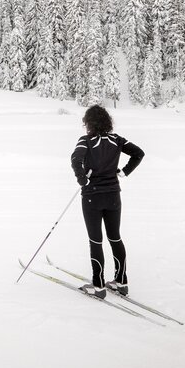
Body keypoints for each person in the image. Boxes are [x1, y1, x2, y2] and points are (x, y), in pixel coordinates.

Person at [70, 104, 144, 298]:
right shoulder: (117, 139)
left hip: (92, 197)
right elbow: (139, 153)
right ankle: (121, 282)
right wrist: (124, 171)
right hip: (113, 196)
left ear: (89, 123)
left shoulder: (86, 140)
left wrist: (82, 179)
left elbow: (75, 159)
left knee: (96, 241)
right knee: (115, 238)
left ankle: (99, 286)